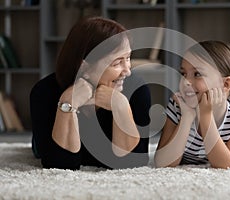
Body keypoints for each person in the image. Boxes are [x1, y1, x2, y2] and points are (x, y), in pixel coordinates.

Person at [30, 16, 151, 170]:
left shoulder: (137, 89)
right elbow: (60, 164)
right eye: (117, 63)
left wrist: (120, 106)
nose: (127, 71)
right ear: (83, 66)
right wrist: (68, 103)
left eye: (128, 58)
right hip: (44, 139)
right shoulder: (43, 92)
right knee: (37, 148)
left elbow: (134, 163)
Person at [154, 40, 230, 169]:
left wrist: (205, 115)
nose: (186, 81)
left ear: (225, 84)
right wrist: (186, 117)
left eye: (197, 74)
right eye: (183, 73)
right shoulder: (178, 105)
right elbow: (163, 162)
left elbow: (226, 164)